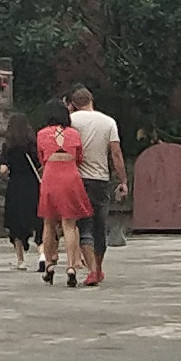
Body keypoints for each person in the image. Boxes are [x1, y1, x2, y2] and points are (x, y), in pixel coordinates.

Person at [66, 84, 122, 286]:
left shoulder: (70, 122)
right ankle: (98, 268)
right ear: (92, 100)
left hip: (77, 178)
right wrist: (122, 179)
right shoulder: (108, 122)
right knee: (100, 225)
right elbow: (115, 152)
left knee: (83, 225)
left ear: (73, 104)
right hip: (101, 179)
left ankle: (89, 268)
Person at [33, 110, 92, 282]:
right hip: (70, 175)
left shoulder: (42, 134)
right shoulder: (74, 134)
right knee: (70, 224)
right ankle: (72, 266)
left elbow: (42, 158)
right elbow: (79, 157)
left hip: (51, 175)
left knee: (48, 222)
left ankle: (50, 264)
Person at [0, 114, 43, 269]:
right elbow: (40, 165)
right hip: (33, 185)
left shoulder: (9, 146)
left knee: (16, 223)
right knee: (38, 221)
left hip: (16, 186)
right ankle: (42, 254)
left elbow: (3, 168)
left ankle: (21, 260)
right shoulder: (33, 144)